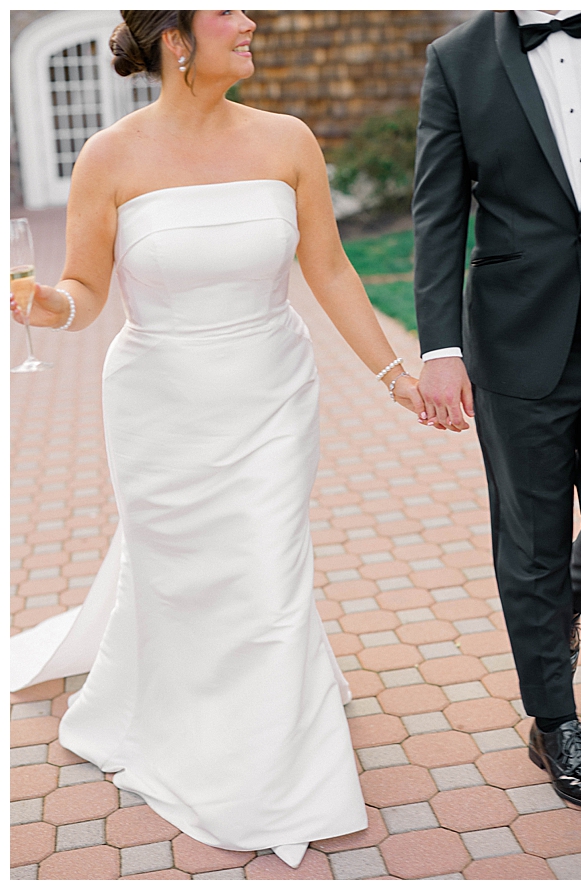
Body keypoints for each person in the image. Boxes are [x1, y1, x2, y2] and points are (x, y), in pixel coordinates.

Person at [10, 10, 426, 868]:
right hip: (159, 406)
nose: (249, 23)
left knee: (270, 574)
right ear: (175, 40)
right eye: (227, 11)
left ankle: (278, 774)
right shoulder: (110, 156)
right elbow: (85, 287)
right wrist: (50, 307)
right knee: (187, 577)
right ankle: (189, 714)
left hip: (272, 394)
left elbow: (333, 268)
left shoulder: (288, 140)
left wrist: (396, 376)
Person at [412, 10, 581, 808]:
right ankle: (555, 720)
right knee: (532, 539)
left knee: (564, 566)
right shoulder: (456, 60)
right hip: (521, 339)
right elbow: (438, 210)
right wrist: (438, 348)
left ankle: (578, 591)